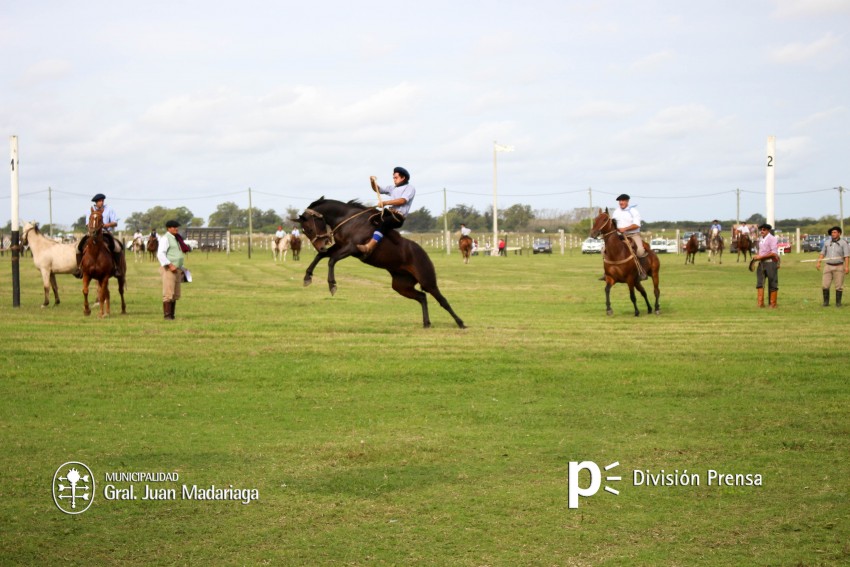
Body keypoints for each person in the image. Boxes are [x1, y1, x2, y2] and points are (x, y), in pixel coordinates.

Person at [356, 166, 415, 257]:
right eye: (393, 178)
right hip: (389, 213)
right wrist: (372, 182)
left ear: (403, 178)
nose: (394, 180)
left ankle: (369, 247)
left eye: (396, 178)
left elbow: (402, 200)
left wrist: (385, 203)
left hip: (398, 217)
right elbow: (377, 189)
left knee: (384, 222)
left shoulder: (409, 188)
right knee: (372, 217)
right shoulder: (392, 188)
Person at [75, 193, 122, 278]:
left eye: (102, 201)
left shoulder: (109, 209)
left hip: (105, 233)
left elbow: (115, 223)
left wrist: (106, 225)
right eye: (100, 201)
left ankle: (117, 268)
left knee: (117, 248)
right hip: (92, 233)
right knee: (78, 248)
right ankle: (79, 269)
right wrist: (93, 228)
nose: (102, 202)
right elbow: (87, 224)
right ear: (96, 202)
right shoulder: (90, 210)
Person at [157, 219, 191, 320]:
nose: (176, 229)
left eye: (177, 227)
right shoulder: (165, 238)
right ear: (169, 228)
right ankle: (167, 316)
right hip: (169, 269)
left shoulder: (177, 238)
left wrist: (181, 266)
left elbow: (177, 253)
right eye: (174, 227)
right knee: (168, 293)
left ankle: (172, 315)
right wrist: (170, 265)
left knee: (175, 293)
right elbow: (160, 254)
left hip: (177, 268)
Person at [610, 194, 648, 280]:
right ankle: (607, 272)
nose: (621, 202)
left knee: (640, 251)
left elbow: (637, 225)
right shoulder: (616, 212)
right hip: (619, 235)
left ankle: (641, 271)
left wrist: (625, 229)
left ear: (627, 201)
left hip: (633, 235)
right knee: (604, 249)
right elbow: (613, 224)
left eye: (623, 201)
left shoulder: (634, 211)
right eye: (620, 201)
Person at [816, 226, 850, 307]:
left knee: (839, 286)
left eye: (835, 232)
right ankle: (826, 303)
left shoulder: (844, 243)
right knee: (825, 285)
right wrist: (819, 262)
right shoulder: (827, 242)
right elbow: (822, 253)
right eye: (832, 232)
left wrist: (846, 267)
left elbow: (847, 256)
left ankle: (838, 303)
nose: (833, 234)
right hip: (828, 266)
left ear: (839, 233)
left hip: (839, 266)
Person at [753, 223, 779, 308]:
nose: (762, 231)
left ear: (768, 230)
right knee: (760, 283)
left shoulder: (772, 239)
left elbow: (774, 253)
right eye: (761, 230)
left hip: (770, 263)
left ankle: (773, 304)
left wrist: (761, 257)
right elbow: (761, 251)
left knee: (772, 283)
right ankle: (760, 303)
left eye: (764, 230)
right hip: (761, 263)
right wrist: (757, 256)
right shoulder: (761, 239)